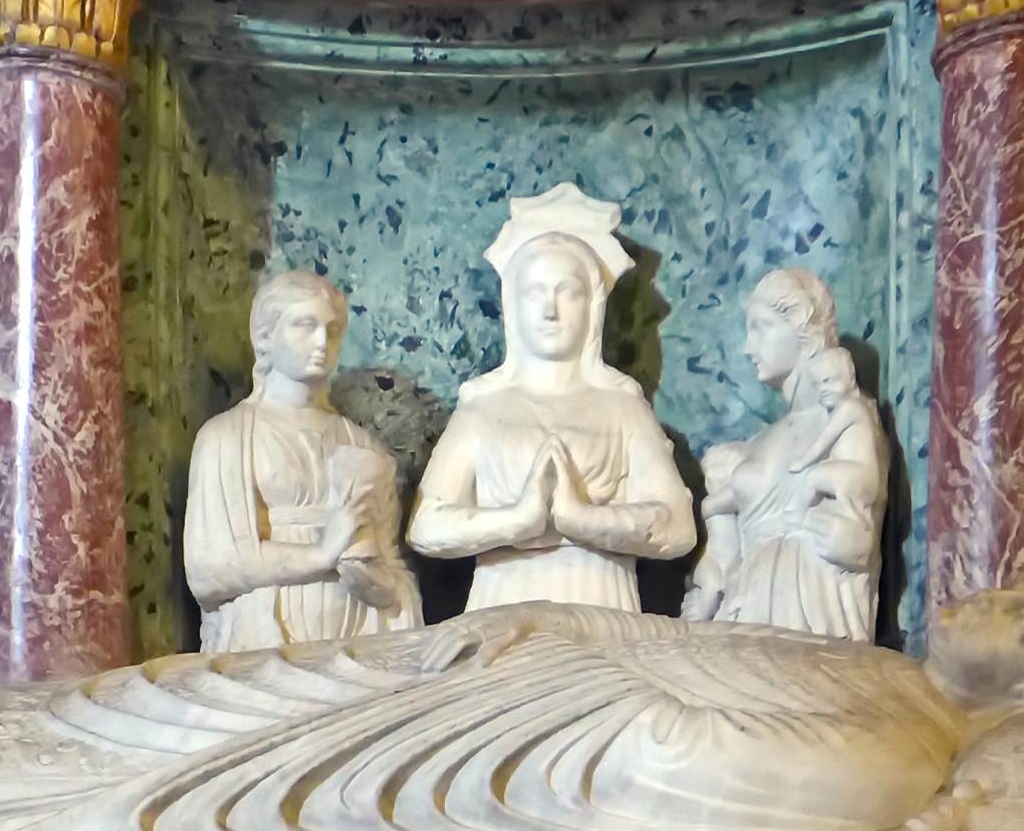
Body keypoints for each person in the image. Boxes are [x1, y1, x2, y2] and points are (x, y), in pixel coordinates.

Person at [409, 185, 694, 612]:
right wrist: (517, 521)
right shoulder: (484, 406)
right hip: (503, 612)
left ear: (593, 305)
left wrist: (584, 520)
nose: (549, 310)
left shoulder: (622, 407)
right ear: (513, 305)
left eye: (568, 293)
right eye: (534, 292)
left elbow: (677, 526)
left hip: (601, 609)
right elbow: (426, 526)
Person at [184, 270, 420, 653]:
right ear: (265, 337)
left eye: (332, 329)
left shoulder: (365, 447)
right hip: (264, 647)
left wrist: (381, 583)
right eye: (304, 326)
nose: (322, 342)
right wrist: (321, 555)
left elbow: (395, 573)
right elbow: (209, 570)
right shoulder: (226, 437)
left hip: (360, 639)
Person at [685, 269, 889, 639]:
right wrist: (708, 594)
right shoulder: (758, 442)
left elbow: (860, 512)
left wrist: (853, 542)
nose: (748, 348)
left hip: (812, 609)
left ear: (803, 331)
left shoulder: (849, 415)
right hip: (744, 613)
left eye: (760, 327)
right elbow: (726, 554)